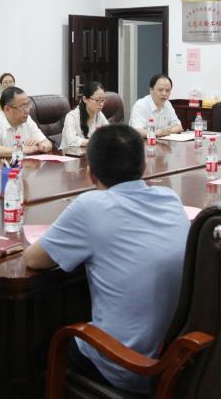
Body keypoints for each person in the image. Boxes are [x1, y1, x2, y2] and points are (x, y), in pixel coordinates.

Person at [24, 124, 189, 393]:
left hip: (127, 366)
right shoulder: (170, 198)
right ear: (144, 166)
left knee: (39, 350)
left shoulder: (90, 205)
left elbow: (33, 259)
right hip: (176, 364)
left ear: (90, 173)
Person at [0, 86, 52, 163]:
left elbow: (48, 144)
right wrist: (23, 149)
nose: (27, 110)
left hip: (18, 166)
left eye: (28, 104)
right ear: (7, 109)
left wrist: (38, 146)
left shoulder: (27, 120)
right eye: (22, 106)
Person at [61, 81, 109, 149]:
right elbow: (71, 141)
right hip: (67, 153)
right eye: (97, 100)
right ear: (85, 99)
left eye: (103, 100)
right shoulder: (72, 116)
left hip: (87, 152)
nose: (101, 104)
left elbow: (109, 133)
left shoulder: (99, 115)